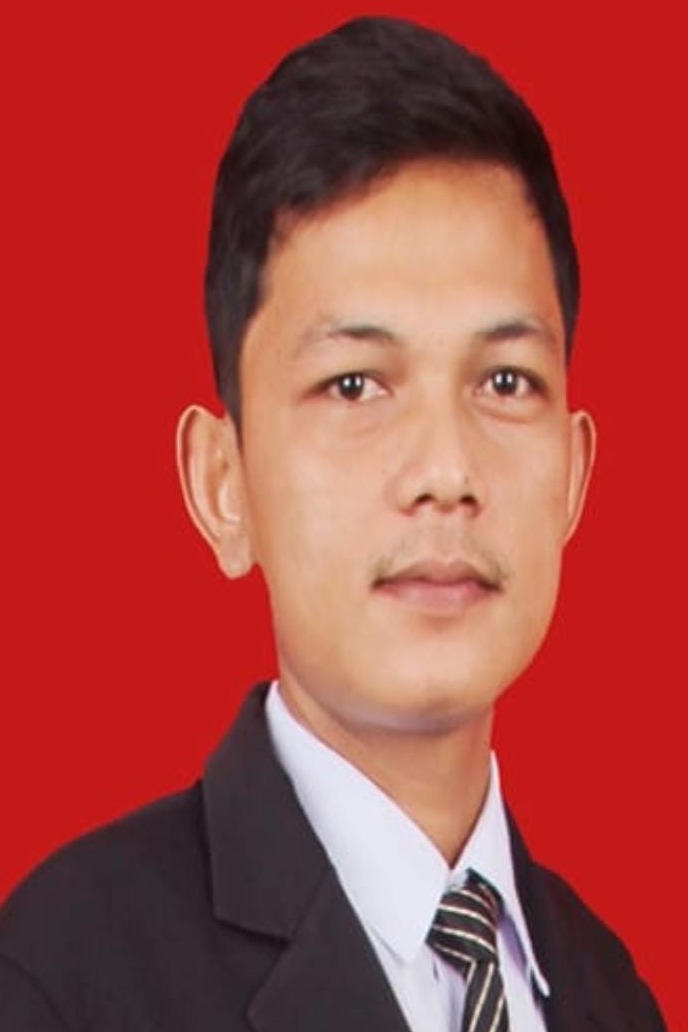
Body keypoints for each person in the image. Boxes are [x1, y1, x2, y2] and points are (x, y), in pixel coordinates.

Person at [0, 15, 666, 1031]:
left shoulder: (610, 991)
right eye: (354, 384)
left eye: (504, 381)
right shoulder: (61, 975)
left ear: (575, 475)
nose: (445, 472)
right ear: (222, 483)